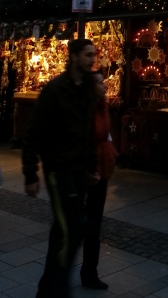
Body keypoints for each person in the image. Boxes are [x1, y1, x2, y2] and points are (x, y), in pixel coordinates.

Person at [22, 39, 98, 298]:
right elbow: (32, 131)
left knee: (63, 229)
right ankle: (59, 289)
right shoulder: (55, 90)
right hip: (58, 170)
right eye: (88, 55)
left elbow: (86, 131)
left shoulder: (87, 89)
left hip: (78, 171)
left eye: (94, 55)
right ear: (74, 56)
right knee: (73, 228)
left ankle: (47, 290)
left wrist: (90, 166)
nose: (92, 60)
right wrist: (30, 173)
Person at [81, 71, 117, 290]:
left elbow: (106, 134)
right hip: (89, 169)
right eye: (100, 83)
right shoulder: (85, 110)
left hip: (102, 169)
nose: (105, 86)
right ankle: (85, 271)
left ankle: (89, 270)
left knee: (94, 221)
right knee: (88, 222)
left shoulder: (103, 107)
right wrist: (87, 168)